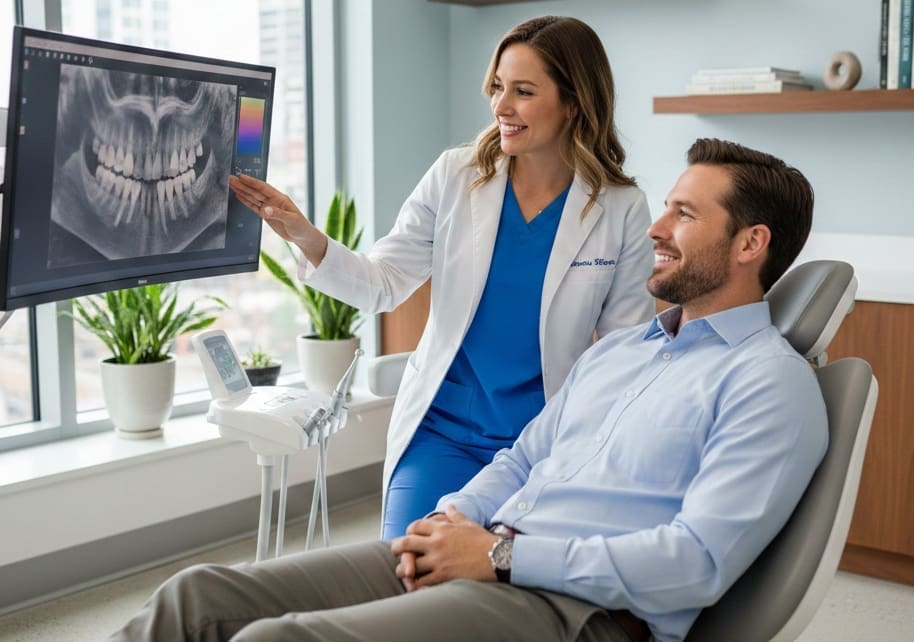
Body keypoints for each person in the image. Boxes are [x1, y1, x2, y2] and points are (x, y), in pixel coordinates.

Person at [111, 138, 826, 642]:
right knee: (199, 596)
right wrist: (452, 522)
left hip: (576, 612)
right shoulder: (622, 353)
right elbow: (523, 458)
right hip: (488, 551)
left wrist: (500, 558)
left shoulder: (769, 384)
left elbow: (697, 563)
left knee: (278, 640)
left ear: (750, 244)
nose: (657, 228)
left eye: (685, 215)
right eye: (666, 207)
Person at [229, 16, 654, 540]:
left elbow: (622, 354)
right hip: (443, 433)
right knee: (405, 562)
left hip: (543, 443)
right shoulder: (456, 175)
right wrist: (305, 235)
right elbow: (382, 283)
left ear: (574, 102)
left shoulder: (621, 208)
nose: (501, 106)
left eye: (523, 92)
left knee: (503, 576)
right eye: (497, 87)